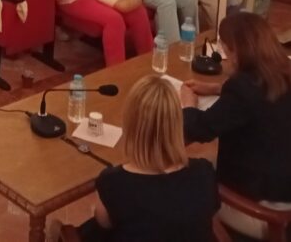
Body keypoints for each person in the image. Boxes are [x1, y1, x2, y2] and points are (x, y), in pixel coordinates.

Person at [182, 12, 291, 238]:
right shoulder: (289, 70)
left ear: (236, 52)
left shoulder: (242, 89)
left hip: (265, 210)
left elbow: (198, 129)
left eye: (224, 48)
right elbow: (260, 94)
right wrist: (216, 88)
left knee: (179, 178)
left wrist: (187, 104)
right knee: (202, 164)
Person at [58, 76, 218, 242]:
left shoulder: (114, 183)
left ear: (130, 124)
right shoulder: (204, 172)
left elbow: (103, 223)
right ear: (178, 124)